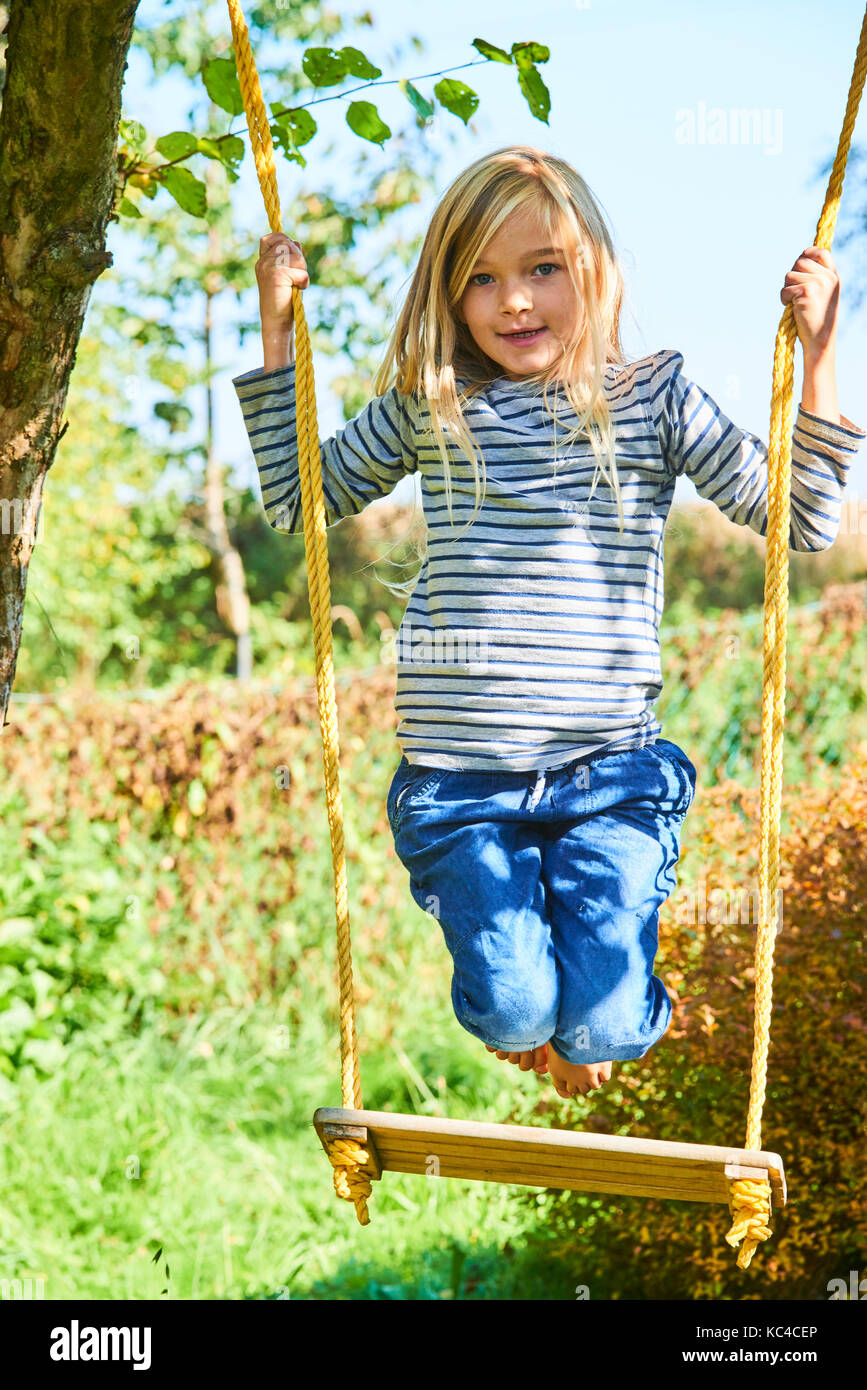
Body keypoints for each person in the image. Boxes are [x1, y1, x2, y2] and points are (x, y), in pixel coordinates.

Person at [232, 146, 864, 1099]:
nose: (513, 301)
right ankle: (529, 1016)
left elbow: (802, 517)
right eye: (481, 279)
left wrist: (818, 356)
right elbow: (295, 500)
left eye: (541, 270)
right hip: (460, 787)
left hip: (607, 771)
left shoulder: (652, 399)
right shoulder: (431, 406)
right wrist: (278, 337)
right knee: (515, 1006)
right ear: (451, 295)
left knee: (605, 1022)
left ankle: (594, 1021)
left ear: (593, 273)